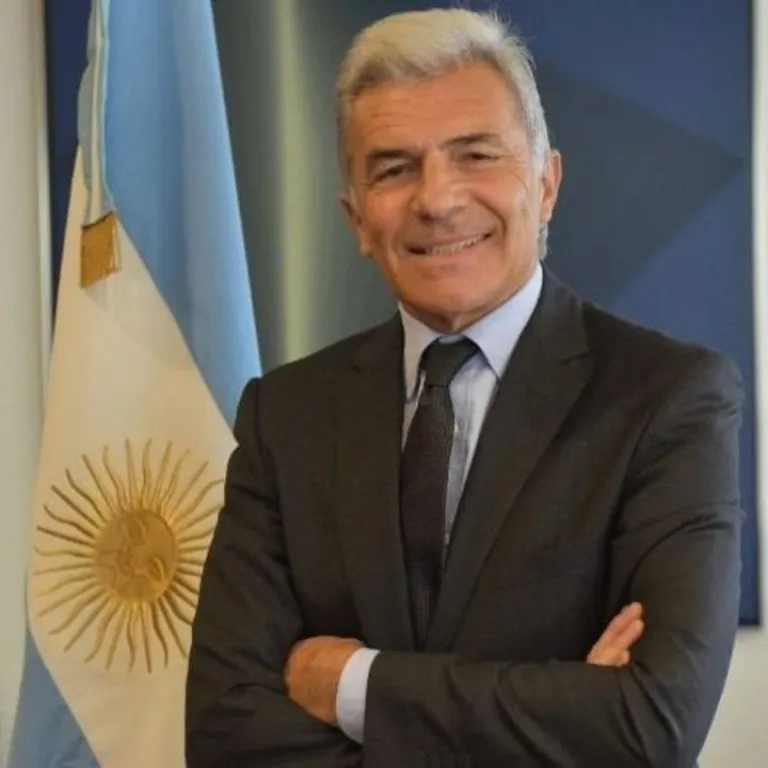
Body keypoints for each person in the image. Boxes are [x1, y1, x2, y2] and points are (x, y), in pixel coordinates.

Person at [185, 8, 743, 767]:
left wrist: (351, 683)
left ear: (545, 184)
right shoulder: (285, 418)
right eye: (394, 168)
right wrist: (561, 716)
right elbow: (224, 736)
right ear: (356, 218)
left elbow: (650, 725)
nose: (438, 199)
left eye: (476, 155)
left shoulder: (669, 399)